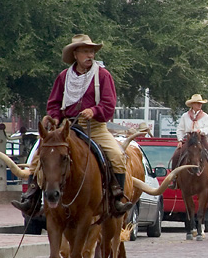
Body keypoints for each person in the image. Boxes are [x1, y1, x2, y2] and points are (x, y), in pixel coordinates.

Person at [12, 34, 133, 216]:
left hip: (95, 127)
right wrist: (53, 117)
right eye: (85, 51)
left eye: (91, 51)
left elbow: (109, 104)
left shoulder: (102, 75)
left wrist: (94, 111)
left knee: (117, 156)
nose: (90, 55)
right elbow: (54, 103)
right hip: (66, 127)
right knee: (39, 156)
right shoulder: (64, 77)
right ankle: (32, 197)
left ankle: (116, 198)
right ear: (75, 54)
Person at [170, 94, 208, 188]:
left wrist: (201, 131)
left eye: (200, 103)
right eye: (197, 103)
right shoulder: (185, 116)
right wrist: (180, 140)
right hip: (189, 139)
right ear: (192, 104)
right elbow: (180, 129)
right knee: (176, 156)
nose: (200, 105)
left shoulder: (205, 116)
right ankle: (174, 179)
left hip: (202, 139)